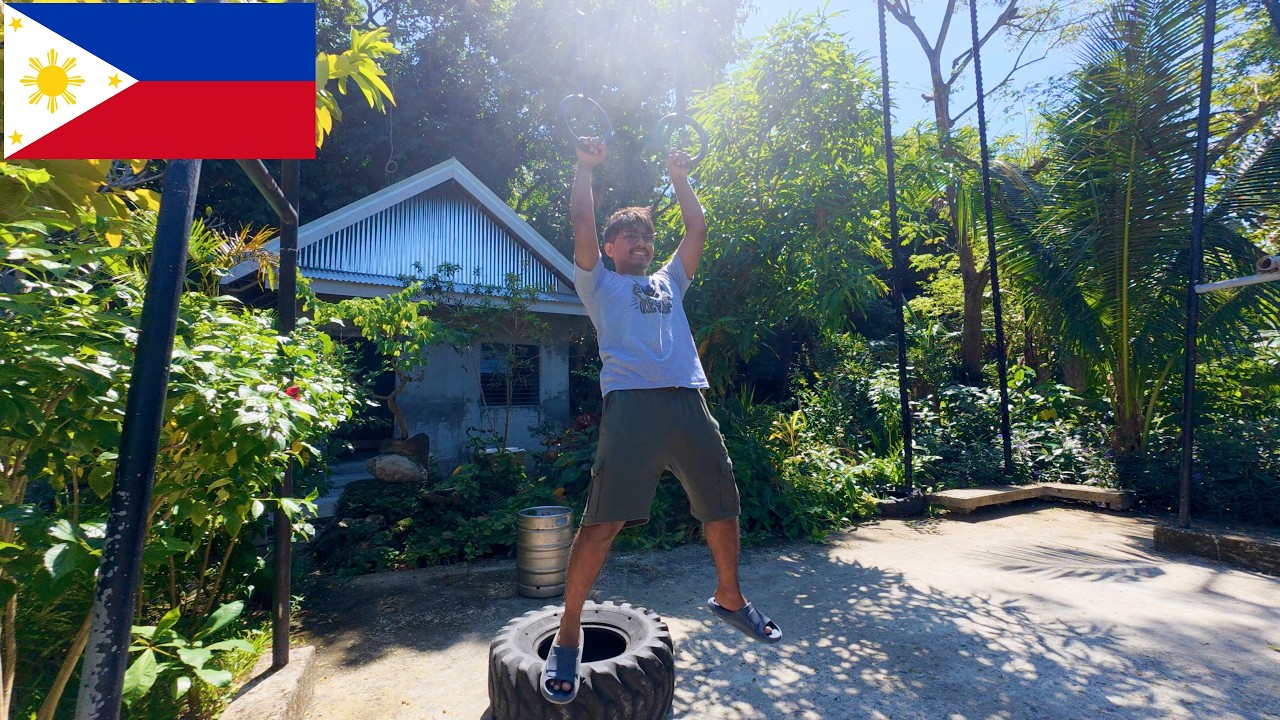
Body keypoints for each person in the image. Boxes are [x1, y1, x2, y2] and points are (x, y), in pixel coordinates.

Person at [540, 137, 782, 705]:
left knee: (722, 502)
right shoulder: (597, 282)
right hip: (631, 405)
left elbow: (696, 230)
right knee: (603, 522)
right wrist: (584, 166)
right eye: (631, 235)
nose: (642, 242)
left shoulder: (670, 281)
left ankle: (729, 597)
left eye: (648, 236)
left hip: (689, 402)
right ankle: (569, 633)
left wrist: (680, 178)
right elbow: (579, 216)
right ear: (609, 246)